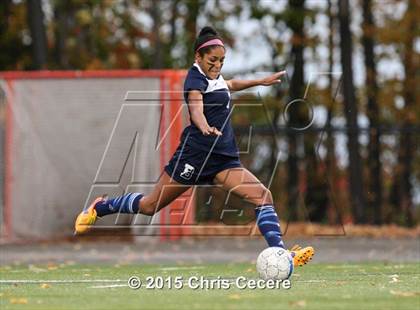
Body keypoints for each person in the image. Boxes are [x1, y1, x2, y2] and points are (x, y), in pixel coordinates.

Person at [75, 26, 314, 267]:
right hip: (195, 156)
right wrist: (204, 125)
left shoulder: (214, 77)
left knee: (263, 196)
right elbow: (196, 108)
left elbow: (229, 84)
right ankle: (102, 207)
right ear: (197, 57)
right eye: (213, 60)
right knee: (150, 206)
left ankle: (282, 255)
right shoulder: (195, 79)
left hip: (222, 160)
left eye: (222, 60)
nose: (218, 65)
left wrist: (260, 81)